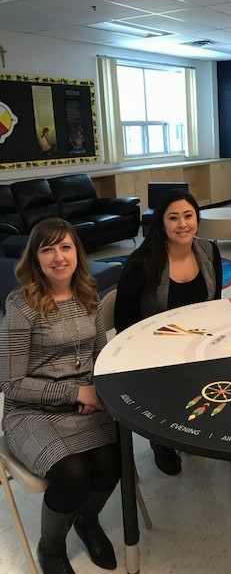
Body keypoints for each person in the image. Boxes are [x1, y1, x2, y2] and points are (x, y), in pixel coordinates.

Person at [0, 218, 119, 574]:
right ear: (34, 258)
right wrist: (74, 393)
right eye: (47, 249)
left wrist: (95, 389)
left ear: (77, 253)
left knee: (115, 459)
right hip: (31, 410)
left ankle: (87, 520)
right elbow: (10, 382)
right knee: (73, 472)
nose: (57, 257)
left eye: (65, 247)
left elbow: (101, 354)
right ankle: (50, 548)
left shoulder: (87, 294)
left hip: (86, 401)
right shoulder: (22, 306)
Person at [114, 188, 222, 475]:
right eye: (173, 218)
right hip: (153, 351)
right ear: (161, 222)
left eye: (188, 216)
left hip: (199, 344)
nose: (182, 224)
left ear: (197, 219)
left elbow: (216, 305)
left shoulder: (209, 251)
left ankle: (191, 423)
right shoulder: (142, 262)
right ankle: (160, 439)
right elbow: (123, 320)